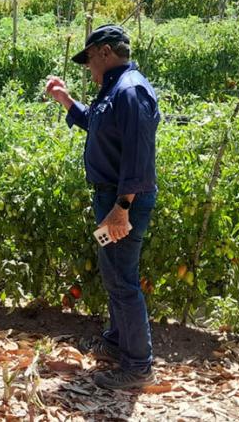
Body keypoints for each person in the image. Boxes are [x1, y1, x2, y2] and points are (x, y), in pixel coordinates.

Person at [44, 24, 160, 390]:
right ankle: (115, 342)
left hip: (122, 201)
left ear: (106, 53)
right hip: (110, 199)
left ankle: (139, 366)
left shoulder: (131, 90)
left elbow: (139, 158)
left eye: (90, 59)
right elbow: (97, 125)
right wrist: (67, 102)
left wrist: (122, 207)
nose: (89, 68)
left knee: (123, 280)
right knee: (113, 272)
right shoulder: (114, 89)